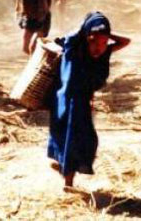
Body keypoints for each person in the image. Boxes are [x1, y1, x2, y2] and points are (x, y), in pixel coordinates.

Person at [47, 12, 130, 189]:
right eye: (94, 42)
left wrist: (106, 34)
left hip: (82, 102)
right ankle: (68, 182)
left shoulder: (104, 52)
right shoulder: (74, 49)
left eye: (103, 43)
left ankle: (64, 166)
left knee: (82, 140)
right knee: (73, 138)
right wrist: (86, 29)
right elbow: (71, 38)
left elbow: (126, 41)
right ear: (85, 38)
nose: (98, 48)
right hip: (67, 101)